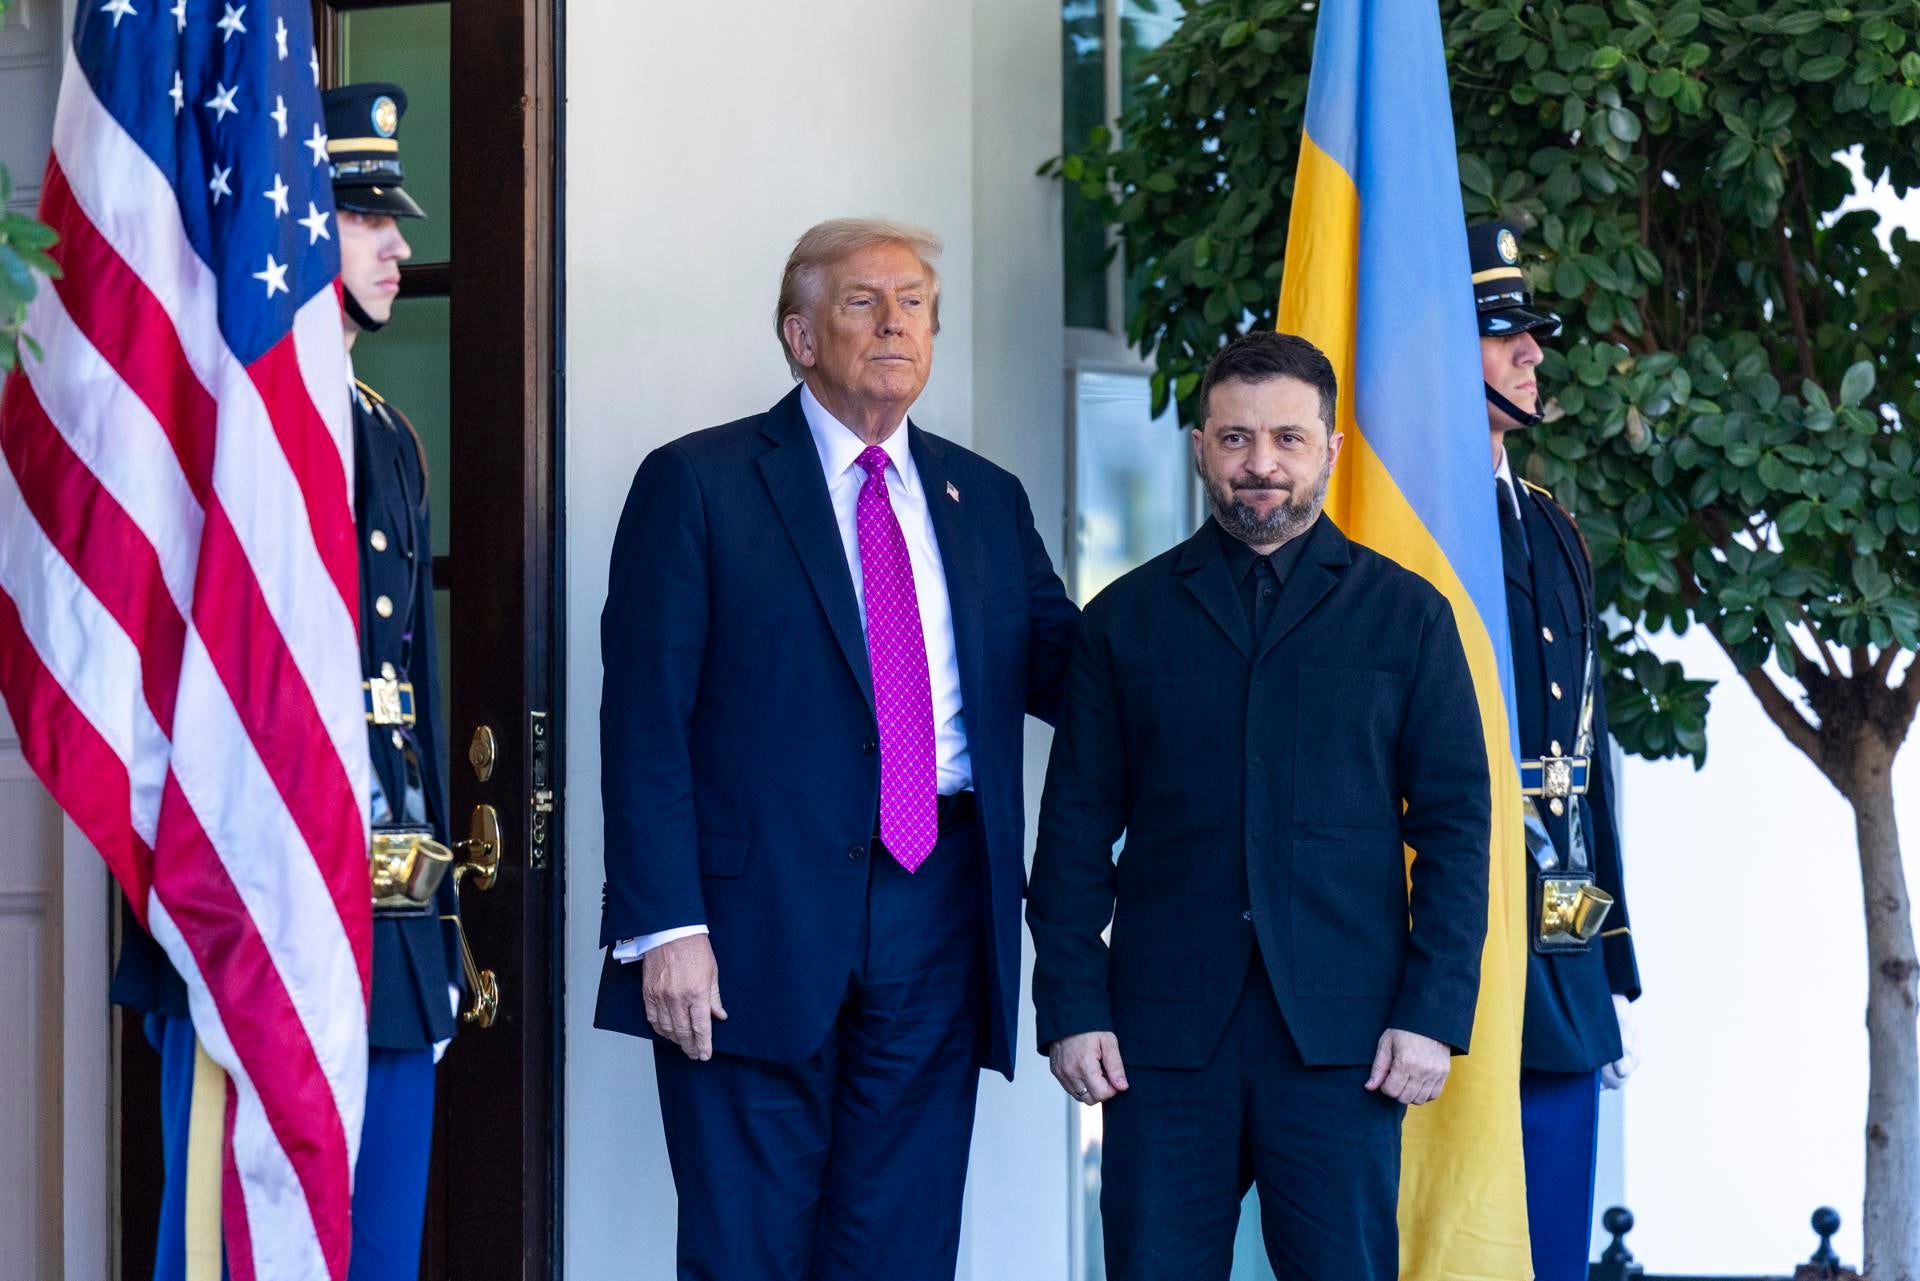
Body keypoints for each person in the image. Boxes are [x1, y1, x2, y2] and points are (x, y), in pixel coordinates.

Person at [593, 216, 1078, 1280]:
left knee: (899, 1246)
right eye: (863, 301)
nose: (896, 322)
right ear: (800, 336)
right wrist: (663, 926)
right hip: (748, 923)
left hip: (939, 909)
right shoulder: (700, 484)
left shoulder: (983, 499)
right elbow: (644, 724)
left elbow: (1073, 677)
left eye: (914, 304)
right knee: (746, 1249)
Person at [1026, 331, 1492, 1281]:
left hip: (1347, 1042)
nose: (1261, 464)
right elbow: (1072, 831)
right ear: (1201, 447)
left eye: (1287, 437)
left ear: (1331, 449)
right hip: (1159, 1045)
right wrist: (1071, 1003)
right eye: (1236, 440)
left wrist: (1433, 1011)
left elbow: (1454, 828)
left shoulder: (1408, 616)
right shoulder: (1125, 618)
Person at [109, 81, 464, 1281]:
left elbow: (406, 686)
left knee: (377, 1251)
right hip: (252, 905)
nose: (399, 244)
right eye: (366, 217)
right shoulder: (217, 431)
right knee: (225, 1249)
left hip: (385, 924)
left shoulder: (388, 434)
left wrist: (444, 936)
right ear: (302, 228)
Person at [1471, 218, 1642, 1281]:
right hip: (1443, 959)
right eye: (1502, 333)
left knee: (1554, 1257)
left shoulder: (1549, 524)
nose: (1535, 352)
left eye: (1532, 330)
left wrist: (1602, 963)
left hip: (1558, 955)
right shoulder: (1405, 533)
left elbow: (1583, 768)